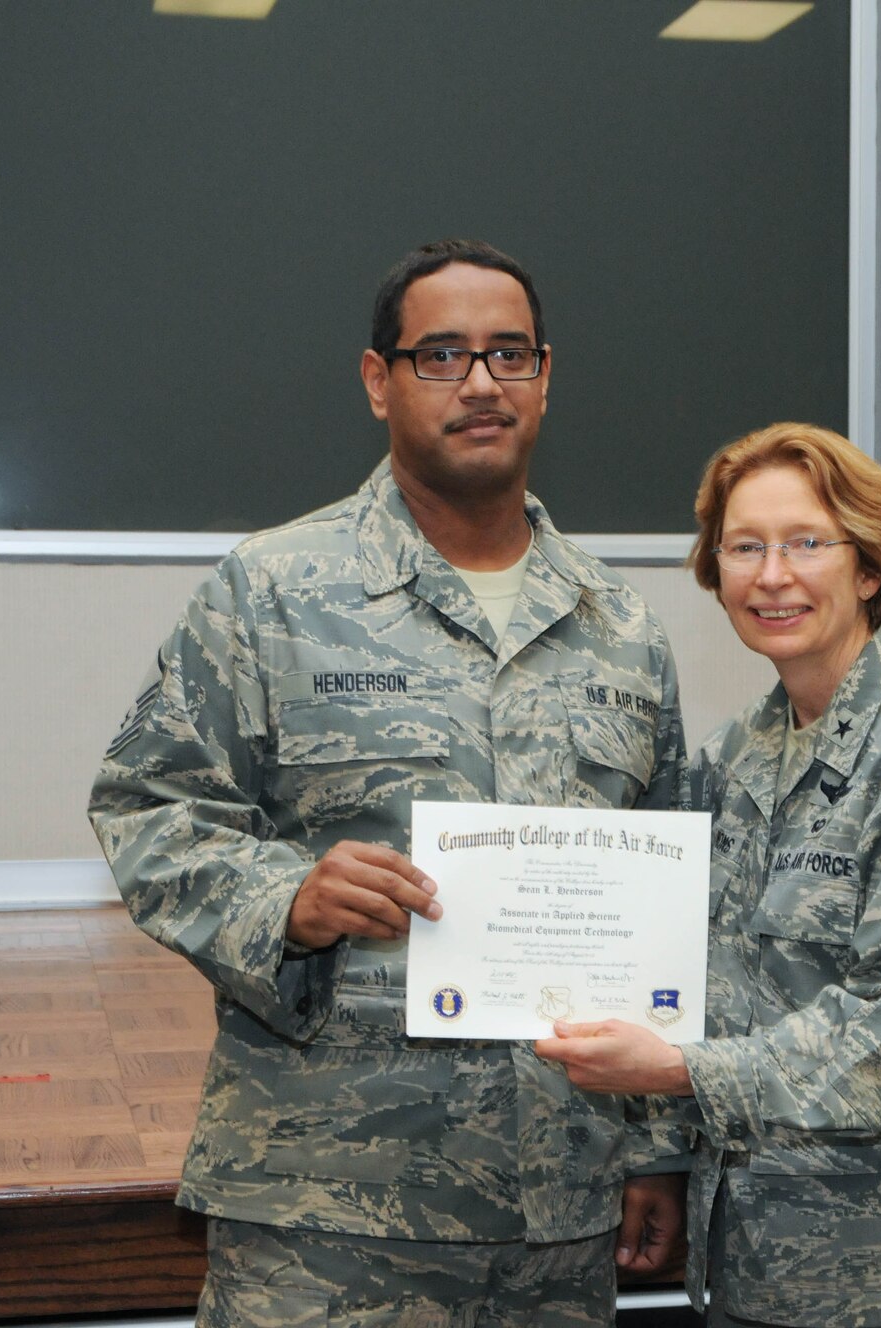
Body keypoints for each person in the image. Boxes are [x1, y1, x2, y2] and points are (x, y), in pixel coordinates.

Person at [90, 238, 689, 1327]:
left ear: (545, 376)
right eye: (440, 355)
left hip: (557, 1211)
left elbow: (667, 916)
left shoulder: (622, 630)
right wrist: (287, 899)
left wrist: (654, 1149)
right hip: (328, 1210)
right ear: (379, 381)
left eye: (508, 354)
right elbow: (148, 804)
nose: (478, 383)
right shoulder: (270, 591)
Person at [536, 422, 881, 1327]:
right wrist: (660, 1148)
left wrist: (679, 1074)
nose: (773, 576)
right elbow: (689, 971)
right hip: (763, 1272)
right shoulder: (737, 755)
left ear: (871, 568)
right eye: (745, 547)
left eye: (807, 543)